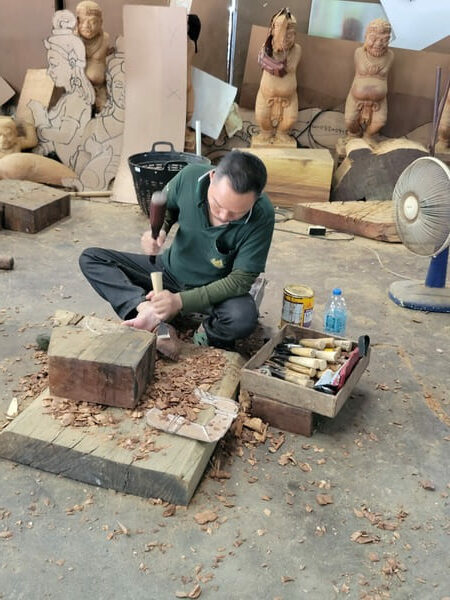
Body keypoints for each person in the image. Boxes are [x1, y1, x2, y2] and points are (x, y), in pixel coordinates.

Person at [79, 151, 274, 349]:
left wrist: (179, 301)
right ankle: (148, 310)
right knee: (91, 258)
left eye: (236, 213)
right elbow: (167, 206)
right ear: (212, 177)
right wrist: (160, 230)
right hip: (170, 270)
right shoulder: (190, 177)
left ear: (255, 200)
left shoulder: (262, 214)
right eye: (217, 204)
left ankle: (206, 334)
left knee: (242, 318)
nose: (223, 216)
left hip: (216, 288)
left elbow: (240, 281)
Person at [28, 10, 95, 166]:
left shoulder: (76, 100)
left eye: (54, 64)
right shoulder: (67, 98)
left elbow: (65, 136)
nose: (50, 71)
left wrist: (40, 123)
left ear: (71, 65)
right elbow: (56, 142)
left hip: (76, 166)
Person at [253, 7, 301, 146]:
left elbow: (286, 68)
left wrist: (282, 48)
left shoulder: (297, 50)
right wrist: (275, 44)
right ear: (272, 31)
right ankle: (266, 133)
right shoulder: (266, 48)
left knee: (290, 119)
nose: (286, 39)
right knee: (262, 117)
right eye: (282, 34)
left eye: (290, 35)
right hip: (266, 95)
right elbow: (266, 63)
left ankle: (281, 133)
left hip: (289, 97)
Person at [344, 18, 393, 139]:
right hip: (356, 98)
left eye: (384, 40)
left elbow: (383, 70)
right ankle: (354, 135)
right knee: (350, 121)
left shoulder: (390, 55)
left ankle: (368, 136)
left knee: (380, 122)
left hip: (379, 101)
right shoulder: (359, 53)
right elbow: (364, 67)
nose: (378, 44)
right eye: (373, 39)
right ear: (366, 37)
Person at [76, 0, 111, 113]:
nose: (87, 26)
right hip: (79, 90)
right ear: (77, 22)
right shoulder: (72, 41)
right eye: (82, 21)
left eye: (93, 22)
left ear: (101, 22)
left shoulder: (105, 39)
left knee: (106, 114)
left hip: (100, 89)